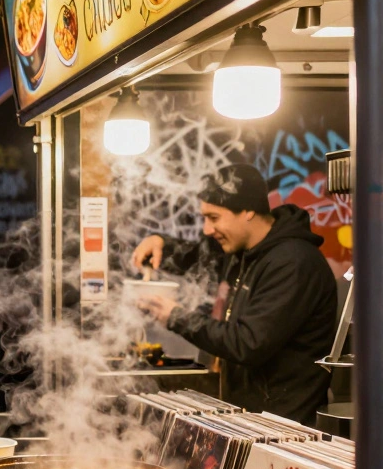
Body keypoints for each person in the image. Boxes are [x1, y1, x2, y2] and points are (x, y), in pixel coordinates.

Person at [132, 164, 337, 425]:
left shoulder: (293, 263)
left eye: (214, 218)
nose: (207, 229)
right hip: (252, 419)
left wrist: (177, 317)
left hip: (284, 427)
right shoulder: (242, 251)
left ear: (248, 211)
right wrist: (161, 243)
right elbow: (198, 256)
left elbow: (248, 343)